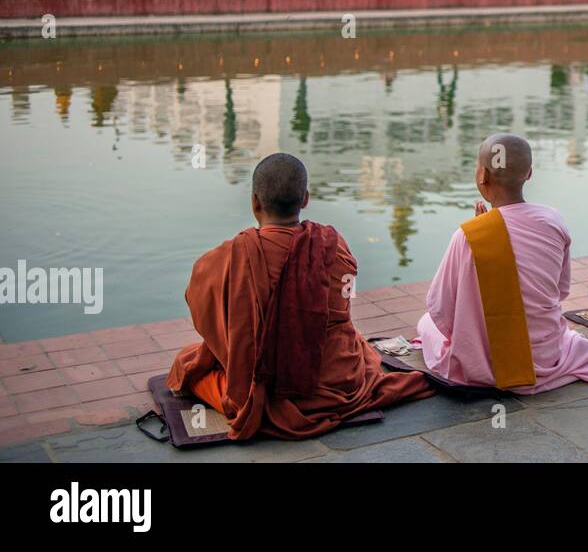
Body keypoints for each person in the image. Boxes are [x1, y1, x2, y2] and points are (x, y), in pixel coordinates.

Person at [166, 153, 431, 440]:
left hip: (263, 384)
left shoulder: (229, 257)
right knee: (360, 350)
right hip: (335, 381)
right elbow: (343, 303)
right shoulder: (332, 244)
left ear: (255, 202)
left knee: (189, 364)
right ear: (305, 198)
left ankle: (260, 396)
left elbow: (199, 303)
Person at [417, 133, 588, 392]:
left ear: (482, 175)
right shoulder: (553, 221)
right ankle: (580, 356)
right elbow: (559, 291)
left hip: (488, 362)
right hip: (545, 351)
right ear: (529, 173)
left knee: (427, 323)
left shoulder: (467, 236)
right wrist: (487, 230)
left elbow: (443, 308)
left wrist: (482, 234)